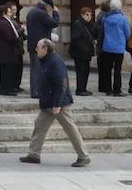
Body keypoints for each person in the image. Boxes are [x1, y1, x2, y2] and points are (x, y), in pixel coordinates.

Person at [19, 38, 90, 167]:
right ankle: (34, 154)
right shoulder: (45, 60)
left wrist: (57, 104)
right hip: (48, 103)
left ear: (45, 49)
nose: (36, 50)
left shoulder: (55, 62)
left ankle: (83, 156)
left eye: (38, 47)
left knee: (70, 129)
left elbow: (61, 84)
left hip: (58, 103)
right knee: (39, 125)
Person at [25, 0, 60, 98]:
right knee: (37, 69)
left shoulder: (32, 11)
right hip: (39, 46)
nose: (50, 11)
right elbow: (54, 23)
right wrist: (56, 13)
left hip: (34, 45)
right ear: (48, 6)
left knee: (35, 69)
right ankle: (36, 92)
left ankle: (36, 90)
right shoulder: (41, 13)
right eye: (51, 9)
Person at [100, 0, 130, 97]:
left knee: (107, 69)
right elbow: (128, 33)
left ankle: (108, 89)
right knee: (117, 70)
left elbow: (103, 31)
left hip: (107, 46)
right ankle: (117, 90)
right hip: (118, 47)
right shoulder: (123, 19)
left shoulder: (105, 18)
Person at [0, 3, 23, 96]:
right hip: (6, 50)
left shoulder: (6, 21)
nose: (11, 12)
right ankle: (5, 89)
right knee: (6, 71)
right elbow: (10, 36)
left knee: (8, 70)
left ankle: (7, 88)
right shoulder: (3, 22)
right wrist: (18, 36)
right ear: (4, 12)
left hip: (7, 50)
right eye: (9, 11)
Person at [69, 7, 96, 96]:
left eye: (90, 15)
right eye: (86, 15)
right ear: (82, 15)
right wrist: (83, 47)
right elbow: (75, 38)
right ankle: (80, 89)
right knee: (81, 71)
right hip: (79, 53)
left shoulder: (89, 25)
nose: (89, 17)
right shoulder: (78, 24)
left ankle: (83, 88)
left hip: (86, 52)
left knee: (86, 71)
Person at [94, 1, 111, 94]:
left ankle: (101, 86)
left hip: (100, 45)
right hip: (104, 45)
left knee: (101, 67)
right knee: (105, 67)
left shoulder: (99, 16)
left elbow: (95, 31)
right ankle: (104, 87)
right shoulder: (105, 17)